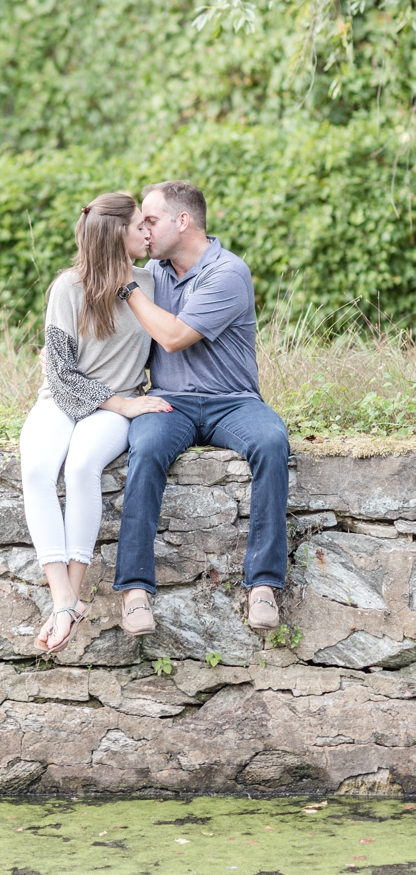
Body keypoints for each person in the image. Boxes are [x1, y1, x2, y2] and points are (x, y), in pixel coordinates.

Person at [115, 180, 289, 635]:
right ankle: (135, 592)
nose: (145, 232)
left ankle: (263, 586)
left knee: (271, 441)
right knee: (146, 450)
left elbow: (172, 337)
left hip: (233, 402)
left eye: (151, 221)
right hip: (170, 401)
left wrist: (127, 286)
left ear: (183, 221)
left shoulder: (227, 272)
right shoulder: (153, 274)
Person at [21, 192, 174, 654]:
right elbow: (60, 372)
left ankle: (71, 595)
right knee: (36, 471)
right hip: (66, 400)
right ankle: (65, 600)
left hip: (120, 402)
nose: (147, 232)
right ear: (117, 234)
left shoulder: (152, 282)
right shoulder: (68, 287)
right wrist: (121, 406)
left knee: (82, 466)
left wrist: (126, 405)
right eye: (138, 226)